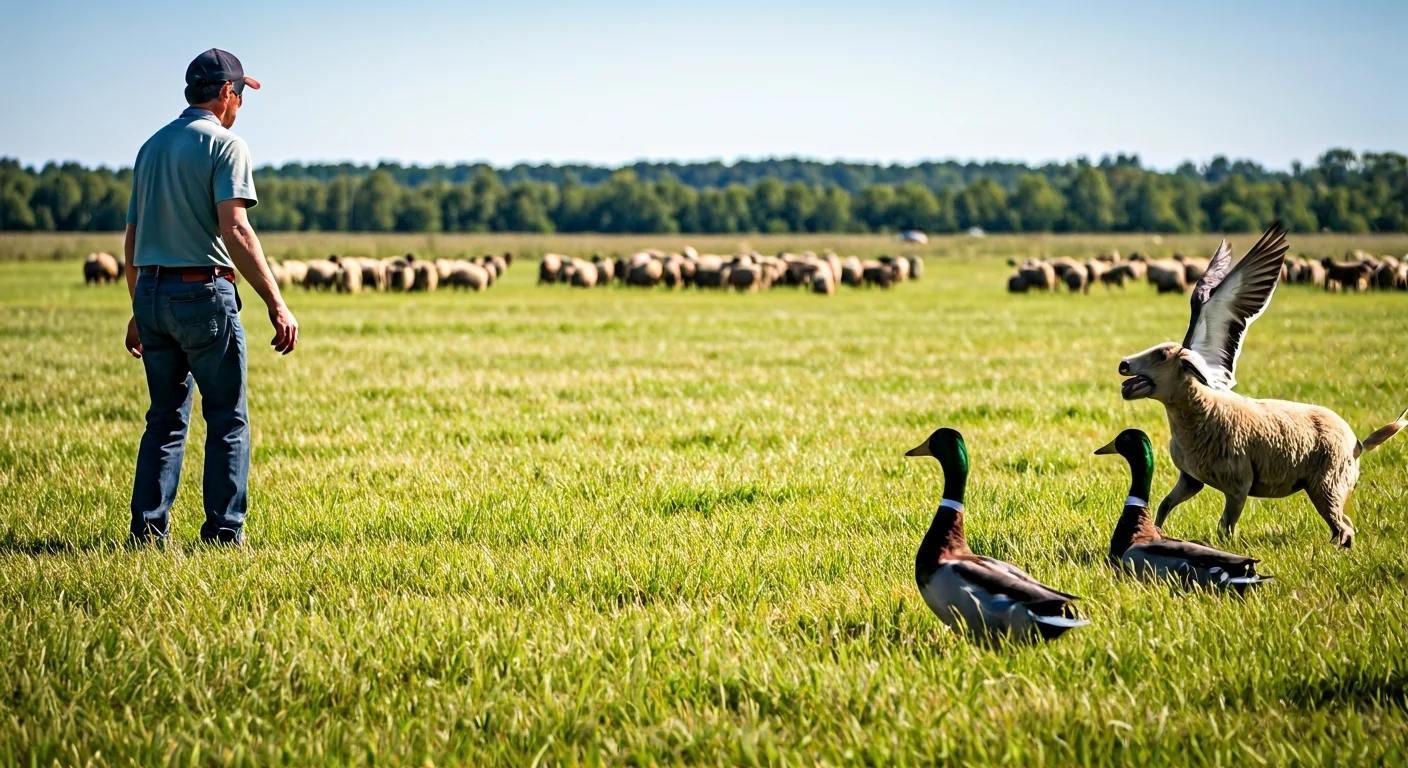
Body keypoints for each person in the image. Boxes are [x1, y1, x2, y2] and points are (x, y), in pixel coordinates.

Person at [123, 48, 298, 545]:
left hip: (152, 292)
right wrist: (276, 302)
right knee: (226, 417)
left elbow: (132, 236)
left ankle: (147, 532)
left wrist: (139, 305)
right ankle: (224, 532)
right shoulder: (227, 145)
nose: (240, 104)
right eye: (240, 94)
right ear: (225, 93)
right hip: (203, 293)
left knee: (164, 417)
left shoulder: (151, 147)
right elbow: (237, 228)